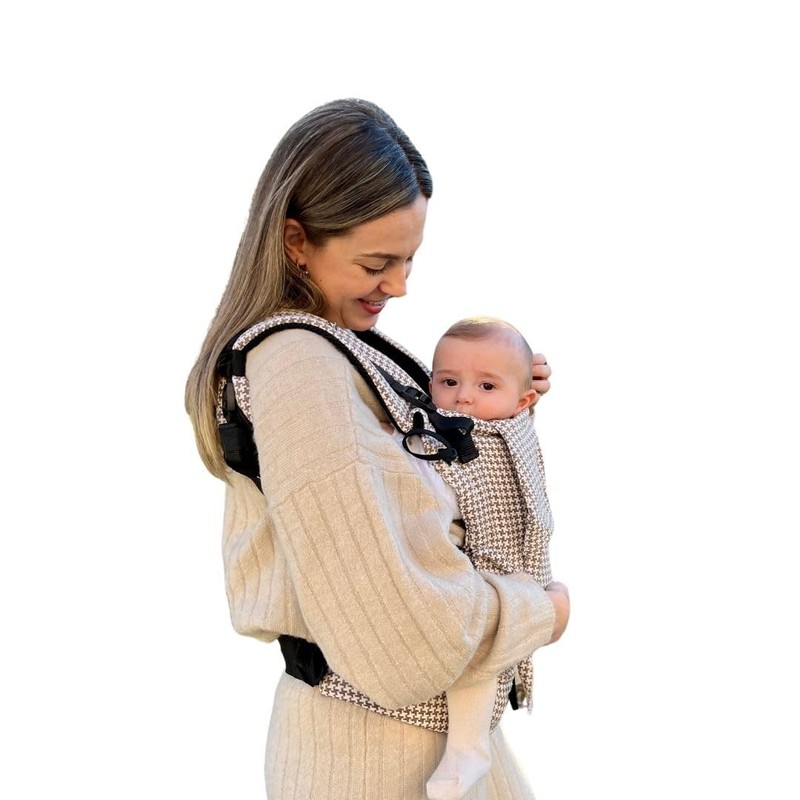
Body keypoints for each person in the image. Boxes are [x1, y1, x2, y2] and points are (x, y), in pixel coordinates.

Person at [185, 98, 570, 800]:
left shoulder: (336, 351)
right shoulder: (300, 366)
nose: (399, 285)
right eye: (376, 262)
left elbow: (430, 497)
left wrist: (506, 406)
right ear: (296, 241)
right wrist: (543, 612)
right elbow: (399, 644)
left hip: (415, 745)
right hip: (374, 757)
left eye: (409, 259)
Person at [423, 316, 566, 800]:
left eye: (485, 386)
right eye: (449, 381)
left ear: (522, 402)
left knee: (481, 666)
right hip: (470, 574)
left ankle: (468, 749)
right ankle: (467, 750)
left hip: (509, 574)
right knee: (473, 659)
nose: (463, 397)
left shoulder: (512, 430)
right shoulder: (430, 430)